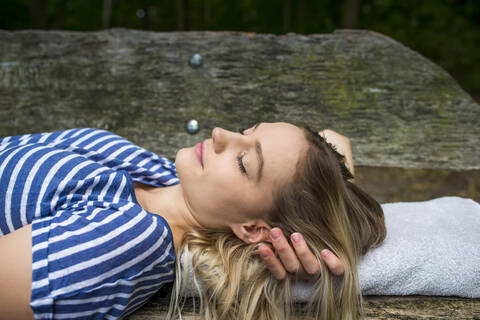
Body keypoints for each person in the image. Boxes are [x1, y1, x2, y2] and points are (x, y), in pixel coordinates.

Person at [0, 122, 385, 320]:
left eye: (242, 161)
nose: (220, 134)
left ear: (253, 229)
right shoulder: (165, 177)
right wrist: (325, 225)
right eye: (246, 130)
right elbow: (334, 139)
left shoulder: (127, 239)